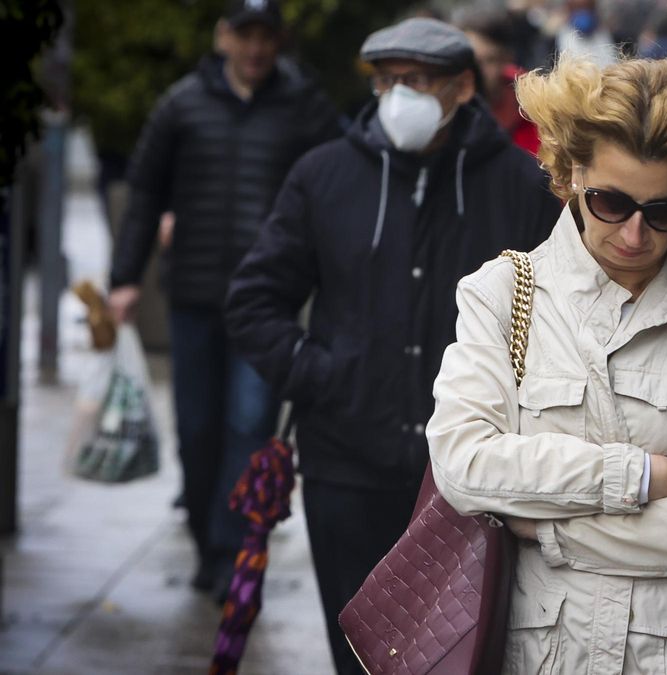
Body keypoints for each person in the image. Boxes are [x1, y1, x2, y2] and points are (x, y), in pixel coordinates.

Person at [425, 53, 667, 673]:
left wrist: (546, 528)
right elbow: (463, 466)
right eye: (610, 202)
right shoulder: (499, 293)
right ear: (570, 175)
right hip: (534, 652)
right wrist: (642, 477)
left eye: (665, 211)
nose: (634, 235)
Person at [223, 17, 560, 674]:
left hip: (469, 480)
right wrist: (322, 374)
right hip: (347, 468)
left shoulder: (521, 185)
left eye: (417, 81)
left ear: (463, 87)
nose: (398, 96)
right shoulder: (325, 175)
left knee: (463, 655)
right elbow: (253, 300)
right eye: (387, 82)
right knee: (359, 656)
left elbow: (561, 312)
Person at [106, 0, 339, 601]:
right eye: (244, 34)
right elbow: (144, 190)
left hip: (266, 306)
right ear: (222, 37)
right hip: (194, 296)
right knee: (197, 425)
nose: (255, 48)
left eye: (266, 36)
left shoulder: (304, 107)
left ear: (277, 41)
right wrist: (124, 278)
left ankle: (229, 551)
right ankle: (204, 535)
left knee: (247, 423)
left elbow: (339, 181)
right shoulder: (182, 104)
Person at [456, 7, 541, 154]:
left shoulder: (536, 104)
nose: (478, 71)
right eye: (472, 61)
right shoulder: (451, 118)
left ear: (507, 59)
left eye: (489, 60)